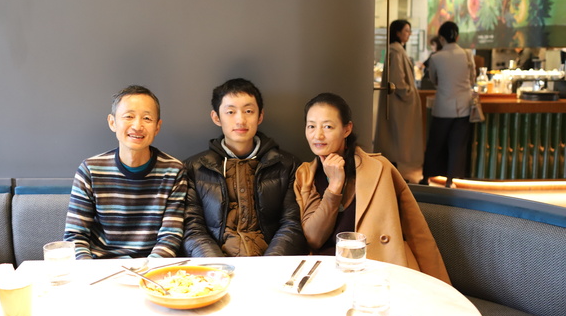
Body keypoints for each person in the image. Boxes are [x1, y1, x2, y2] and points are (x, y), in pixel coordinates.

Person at [295, 92, 450, 283]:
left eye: (328, 126)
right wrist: (334, 187)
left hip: (376, 270)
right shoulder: (306, 175)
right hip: (326, 273)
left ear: (346, 129)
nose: (318, 135)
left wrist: (438, 283)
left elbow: (416, 230)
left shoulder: (380, 168)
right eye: (311, 126)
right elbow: (314, 238)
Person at [182, 78, 307, 257]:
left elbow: (292, 224)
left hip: (272, 263)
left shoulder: (287, 165)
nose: (240, 120)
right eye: (230, 112)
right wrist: (217, 266)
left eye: (248, 111)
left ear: (260, 116)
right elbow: (192, 229)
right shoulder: (194, 168)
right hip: (216, 265)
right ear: (216, 117)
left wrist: (271, 265)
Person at [64, 85, 187, 259]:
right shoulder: (90, 170)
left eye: (147, 118)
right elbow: (75, 236)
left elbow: (170, 236)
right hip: (100, 266)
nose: (137, 126)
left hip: (151, 267)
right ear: (112, 122)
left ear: (157, 127)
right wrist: (89, 269)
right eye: (129, 116)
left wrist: (149, 270)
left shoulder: (173, 171)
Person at [421, 21, 475, 187]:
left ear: (441, 38)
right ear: (457, 37)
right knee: (458, 146)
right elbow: (472, 79)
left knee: (436, 144)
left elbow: (433, 79)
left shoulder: (436, 58)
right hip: (464, 106)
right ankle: (452, 180)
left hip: (443, 106)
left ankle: (428, 177)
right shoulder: (467, 54)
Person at [373, 19, 424, 182]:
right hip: (399, 104)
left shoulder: (396, 50)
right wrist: (409, 92)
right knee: (397, 139)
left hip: (398, 102)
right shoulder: (396, 52)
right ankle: (396, 175)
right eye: (406, 30)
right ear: (398, 32)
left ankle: (396, 173)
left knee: (395, 139)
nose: (409, 34)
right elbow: (398, 82)